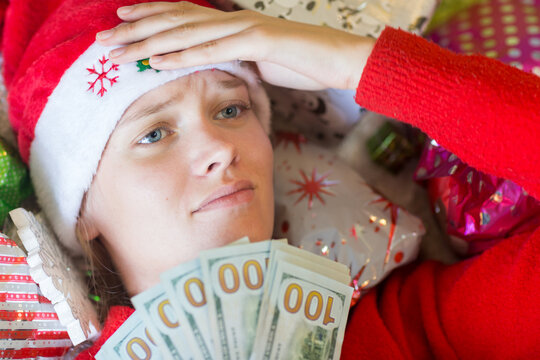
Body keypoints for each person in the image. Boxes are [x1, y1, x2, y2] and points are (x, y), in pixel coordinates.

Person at [2, 0, 539, 359]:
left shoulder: (390, 333)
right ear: (83, 216)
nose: (218, 147)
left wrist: (357, 67)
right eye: (154, 133)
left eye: (232, 110)